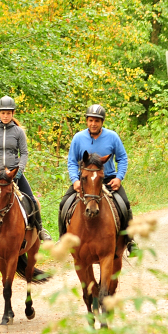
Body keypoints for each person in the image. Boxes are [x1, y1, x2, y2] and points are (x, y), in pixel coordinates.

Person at [59, 104, 135, 251]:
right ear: (87, 121)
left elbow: (122, 158)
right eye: (91, 120)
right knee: (64, 204)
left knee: (125, 204)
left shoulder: (112, 137)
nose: (93, 124)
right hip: (84, 181)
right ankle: (63, 239)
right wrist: (75, 180)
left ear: (102, 122)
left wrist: (119, 178)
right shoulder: (78, 138)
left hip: (107, 180)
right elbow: (72, 161)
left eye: (97, 121)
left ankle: (129, 241)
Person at [0, 95, 52, 241]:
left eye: (8, 113)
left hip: (13, 174)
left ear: (13, 113)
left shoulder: (18, 132)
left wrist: (19, 171)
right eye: (3, 113)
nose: (5, 116)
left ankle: (40, 230)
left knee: (31, 200)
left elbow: (24, 153)